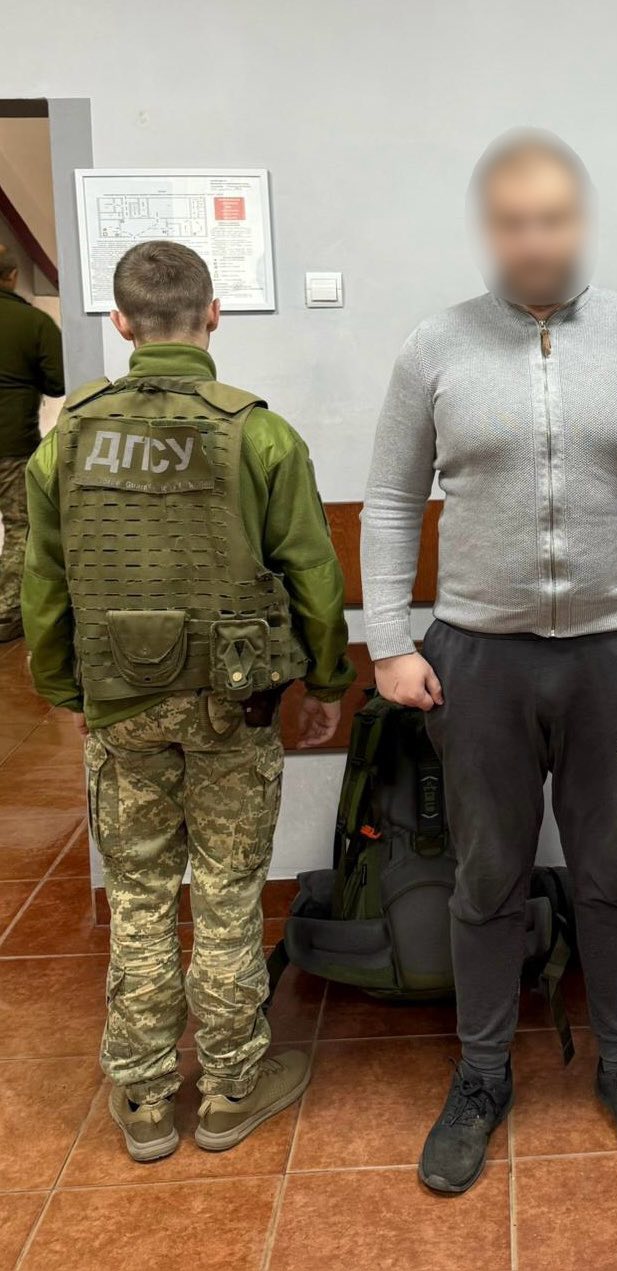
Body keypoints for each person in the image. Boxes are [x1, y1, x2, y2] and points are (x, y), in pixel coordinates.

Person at [363, 129, 617, 1192]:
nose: (534, 239)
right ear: (490, 228)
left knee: (613, 871)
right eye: (513, 221)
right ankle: (483, 1074)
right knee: (486, 874)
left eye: (553, 218)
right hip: (477, 659)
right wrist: (388, 639)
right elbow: (390, 498)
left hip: (613, 657)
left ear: (581, 220)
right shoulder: (435, 347)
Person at [22, 241, 354, 1162]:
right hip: (231, 704)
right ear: (213, 314)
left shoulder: (65, 440)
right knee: (227, 891)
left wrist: (64, 688)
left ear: (120, 322)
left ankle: (143, 1097)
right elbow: (314, 576)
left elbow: (43, 585)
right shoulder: (260, 434)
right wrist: (327, 683)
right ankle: (231, 1088)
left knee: (136, 893)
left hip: (120, 704)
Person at [0, 243, 63, 642]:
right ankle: (6, 613)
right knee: (20, 526)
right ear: (12, 276)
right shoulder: (33, 322)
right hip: (12, 443)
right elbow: (58, 381)